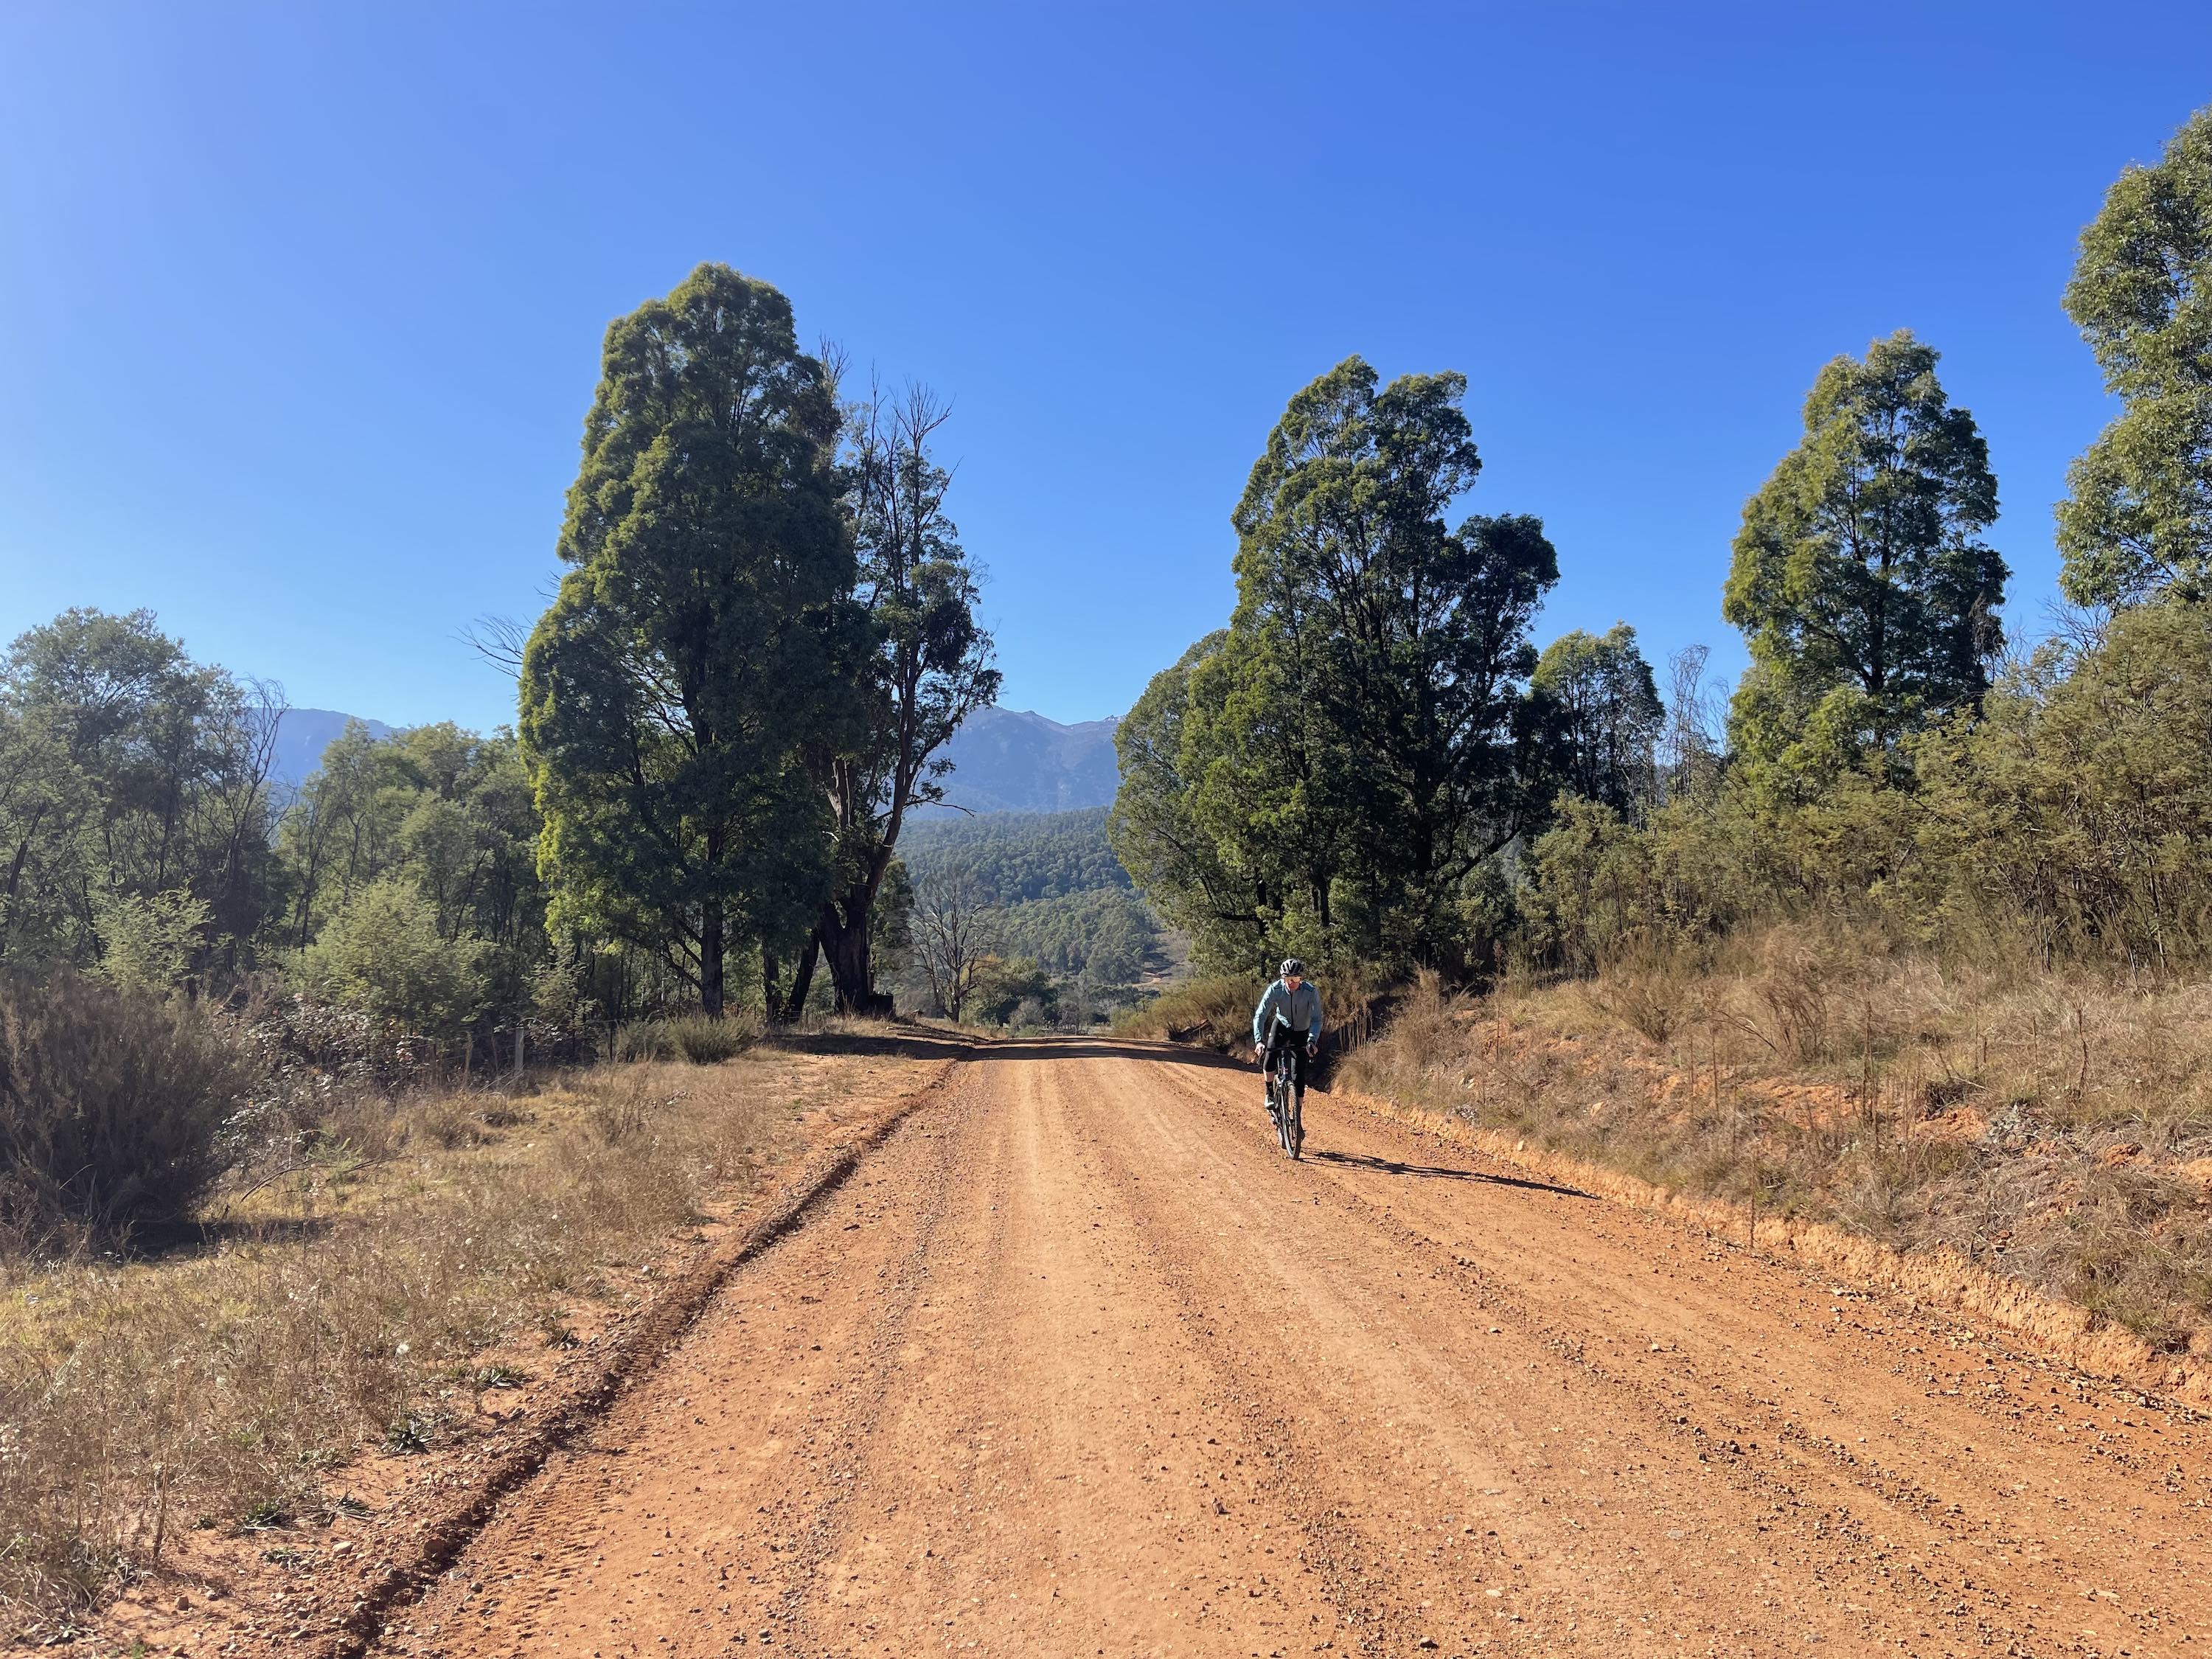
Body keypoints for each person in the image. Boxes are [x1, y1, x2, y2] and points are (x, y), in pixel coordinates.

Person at [1251, 958, 1322, 1114]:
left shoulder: (1310, 992)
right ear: (1282, 978)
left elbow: (1317, 1019)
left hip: (1302, 1030)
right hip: (1281, 1025)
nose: (1291, 983)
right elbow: (1260, 1015)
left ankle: (1297, 1116)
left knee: (1299, 1076)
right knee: (1270, 1053)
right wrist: (1258, 1041)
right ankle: (1269, 1093)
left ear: (1301, 978)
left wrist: (1312, 1040)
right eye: (1288, 979)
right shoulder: (1275, 989)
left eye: (1295, 979)